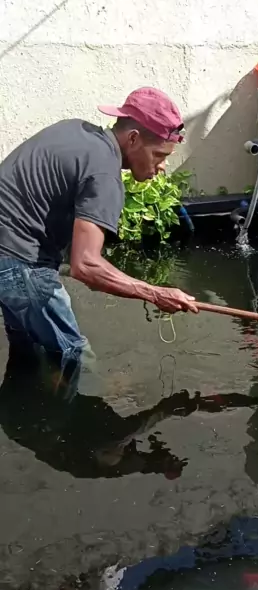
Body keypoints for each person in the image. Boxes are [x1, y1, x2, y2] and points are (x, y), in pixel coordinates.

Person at [0, 87, 198, 391]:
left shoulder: (75, 130)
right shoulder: (104, 174)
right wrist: (155, 293)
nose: (161, 167)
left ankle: (21, 409)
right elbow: (85, 266)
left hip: (8, 255)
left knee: (29, 348)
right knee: (74, 353)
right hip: (18, 260)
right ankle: (90, 416)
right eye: (159, 155)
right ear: (133, 138)